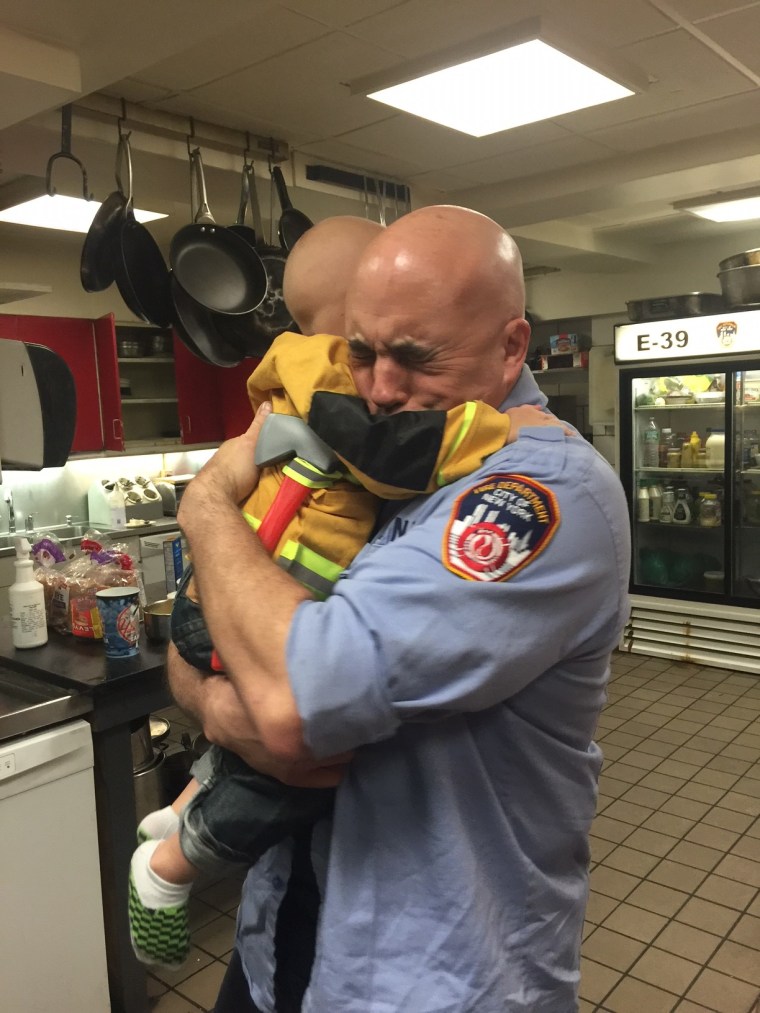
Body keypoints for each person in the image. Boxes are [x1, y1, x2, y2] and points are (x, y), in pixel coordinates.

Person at [169, 205, 631, 1012]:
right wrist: (214, 702)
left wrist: (207, 506)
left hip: (432, 972)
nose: (378, 390)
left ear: (511, 345)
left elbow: (292, 699)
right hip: (280, 930)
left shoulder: (537, 492)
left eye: (415, 357)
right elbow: (199, 635)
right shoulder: (379, 459)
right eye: (361, 352)